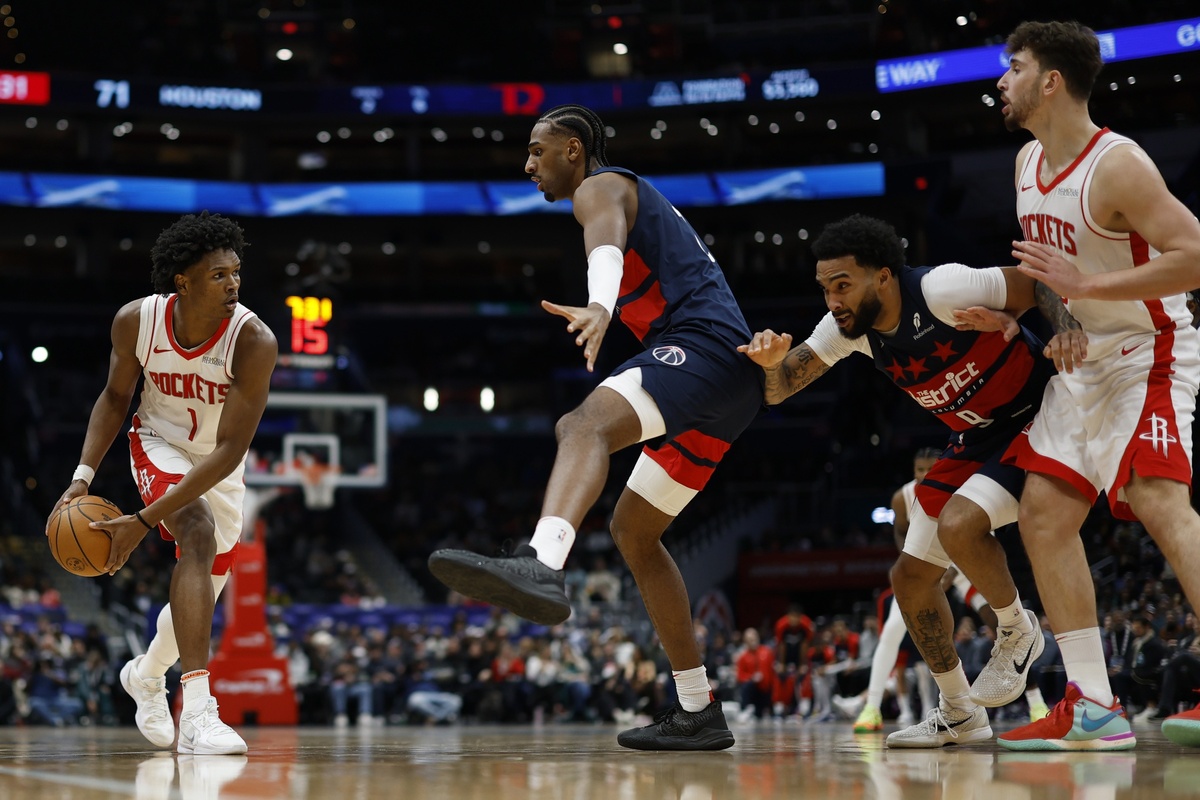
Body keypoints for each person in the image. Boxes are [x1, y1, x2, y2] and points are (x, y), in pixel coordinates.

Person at [427, 104, 764, 750]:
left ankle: (541, 562)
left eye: (536, 151)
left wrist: (601, 308)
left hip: (707, 350)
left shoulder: (599, 188)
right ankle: (697, 707)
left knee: (581, 425)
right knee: (634, 530)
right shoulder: (618, 192)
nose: (527, 166)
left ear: (574, 150)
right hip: (729, 387)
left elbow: (604, 242)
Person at [739, 213, 1071, 748]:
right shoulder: (845, 332)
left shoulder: (941, 288)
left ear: (884, 276)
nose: (833, 301)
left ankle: (1017, 629)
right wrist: (773, 366)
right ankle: (959, 711)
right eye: (825, 289)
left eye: (843, 285)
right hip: (977, 436)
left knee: (961, 526)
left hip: (1040, 415)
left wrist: (1066, 333)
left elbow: (1036, 284)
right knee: (909, 579)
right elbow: (778, 391)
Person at [984, 20, 1200, 751]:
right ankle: (1097, 706)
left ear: (1050, 81)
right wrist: (1057, 316)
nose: (1000, 81)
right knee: (1043, 514)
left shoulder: (1118, 166)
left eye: (1013, 69)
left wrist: (1091, 285)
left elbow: (1195, 254)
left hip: (1149, 348)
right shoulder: (1023, 164)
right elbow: (1053, 284)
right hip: (1083, 362)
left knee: (1160, 502)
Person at [47, 211, 277, 755]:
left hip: (218, 463)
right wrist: (81, 479)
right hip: (157, 443)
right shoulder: (137, 322)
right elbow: (114, 399)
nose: (233, 284)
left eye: (236, 273)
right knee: (195, 536)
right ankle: (197, 710)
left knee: (206, 588)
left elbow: (230, 450)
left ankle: (145, 676)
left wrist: (142, 523)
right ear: (184, 281)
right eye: (219, 275)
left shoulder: (254, 341)